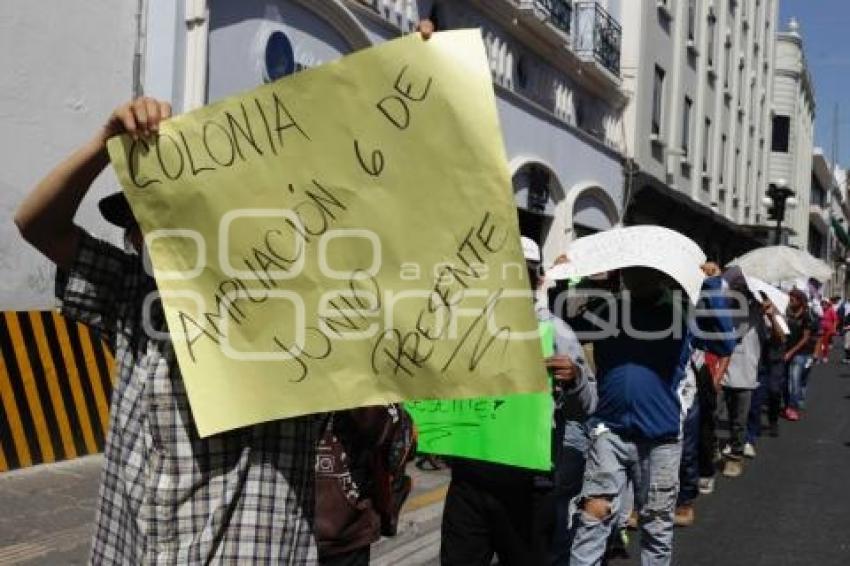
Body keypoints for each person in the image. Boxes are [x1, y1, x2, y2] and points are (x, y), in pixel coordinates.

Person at [440, 237, 596, 566]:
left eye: (520, 275)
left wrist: (575, 381)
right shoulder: (465, 329)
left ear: (536, 280)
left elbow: (588, 406)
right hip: (470, 479)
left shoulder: (556, 333)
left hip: (529, 486)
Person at [569, 266, 735, 566]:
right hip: (608, 432)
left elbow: (724, 343)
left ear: (660, 275)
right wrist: (570, 276)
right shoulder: (608, 308)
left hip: (661, 440)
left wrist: (711, 286)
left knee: (657, 527)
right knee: (593, 519)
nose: (635, 277)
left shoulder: (680, 312)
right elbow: (567, 329)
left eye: (643, 271)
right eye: (630, 271)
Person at [718, 280, 784, 477]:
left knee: (740, 420)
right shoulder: (725, 311)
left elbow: (780, 338)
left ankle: (735, 458)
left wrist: (771, 316)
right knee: (718, 416)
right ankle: (721, 448)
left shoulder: (759, 313)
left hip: (747, 376)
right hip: (723, 373)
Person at [784, 289, 817, 421]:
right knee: (788, 381)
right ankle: (791, 403)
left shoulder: (807, 316)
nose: (790, 301)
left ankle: (793, 408)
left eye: (792, 299)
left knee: (794, 381)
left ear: (800, 301)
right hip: (788, 350)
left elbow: (805, 338)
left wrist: (791, 352)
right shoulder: (788, 313)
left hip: (801, 353)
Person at [815, 298, 838, 363]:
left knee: (825, 344)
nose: (823, 305)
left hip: (828, 329)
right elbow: (817, 319)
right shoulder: (820, 310)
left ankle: (825, 356)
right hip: (820, 329)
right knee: (819, 343)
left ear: (828, 304)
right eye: (822, 304)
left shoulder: (831, 310)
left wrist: (834, 328)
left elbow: (835, 320)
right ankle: (818, 358)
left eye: (825, 303)